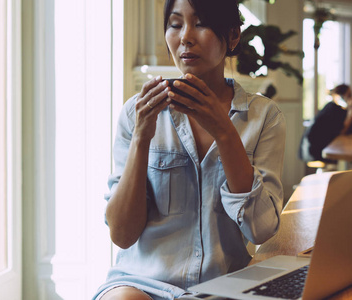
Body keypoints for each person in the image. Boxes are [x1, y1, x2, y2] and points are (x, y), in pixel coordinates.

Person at [93, 0, 286, 299]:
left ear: (233, 36)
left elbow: (261, 229)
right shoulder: (137, 112)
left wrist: (225, 133)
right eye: (175, 24)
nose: (185, 36)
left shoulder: (264, 117)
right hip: (141, 284)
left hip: (223, 286)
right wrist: (142, 137)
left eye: (201, 23)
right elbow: (122, 235)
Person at [299, 84, 352, 163]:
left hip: (308, 150)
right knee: (347, 158)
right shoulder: (334, 110)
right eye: (349, 95)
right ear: (340, 96)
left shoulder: (330, 107)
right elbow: (342, 131)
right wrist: (351, 109)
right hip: (315, 152)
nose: (351, 98)